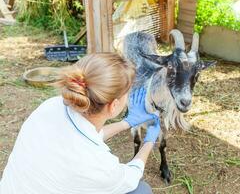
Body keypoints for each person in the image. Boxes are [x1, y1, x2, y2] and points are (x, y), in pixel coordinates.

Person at [0, 53, 161, 194]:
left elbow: (83, 137)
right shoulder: (98, 166)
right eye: (128, 93)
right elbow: (132, 176)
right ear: (113, 106)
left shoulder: (50, 106)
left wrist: (126, 123)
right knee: (141, 190)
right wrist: (149, 141)